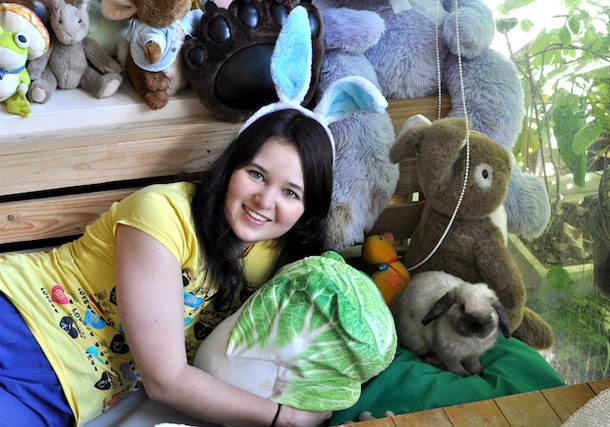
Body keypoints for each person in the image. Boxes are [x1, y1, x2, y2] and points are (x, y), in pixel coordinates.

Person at [0, 108, 335, 427]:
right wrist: (283, 418)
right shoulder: (162, 215)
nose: (265, 201)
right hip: (16, 319)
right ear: (232, 168)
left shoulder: (282, 265)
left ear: (308, 209)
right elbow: (165, 379)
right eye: (256, 174)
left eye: (291, 192)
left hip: (56, 399)